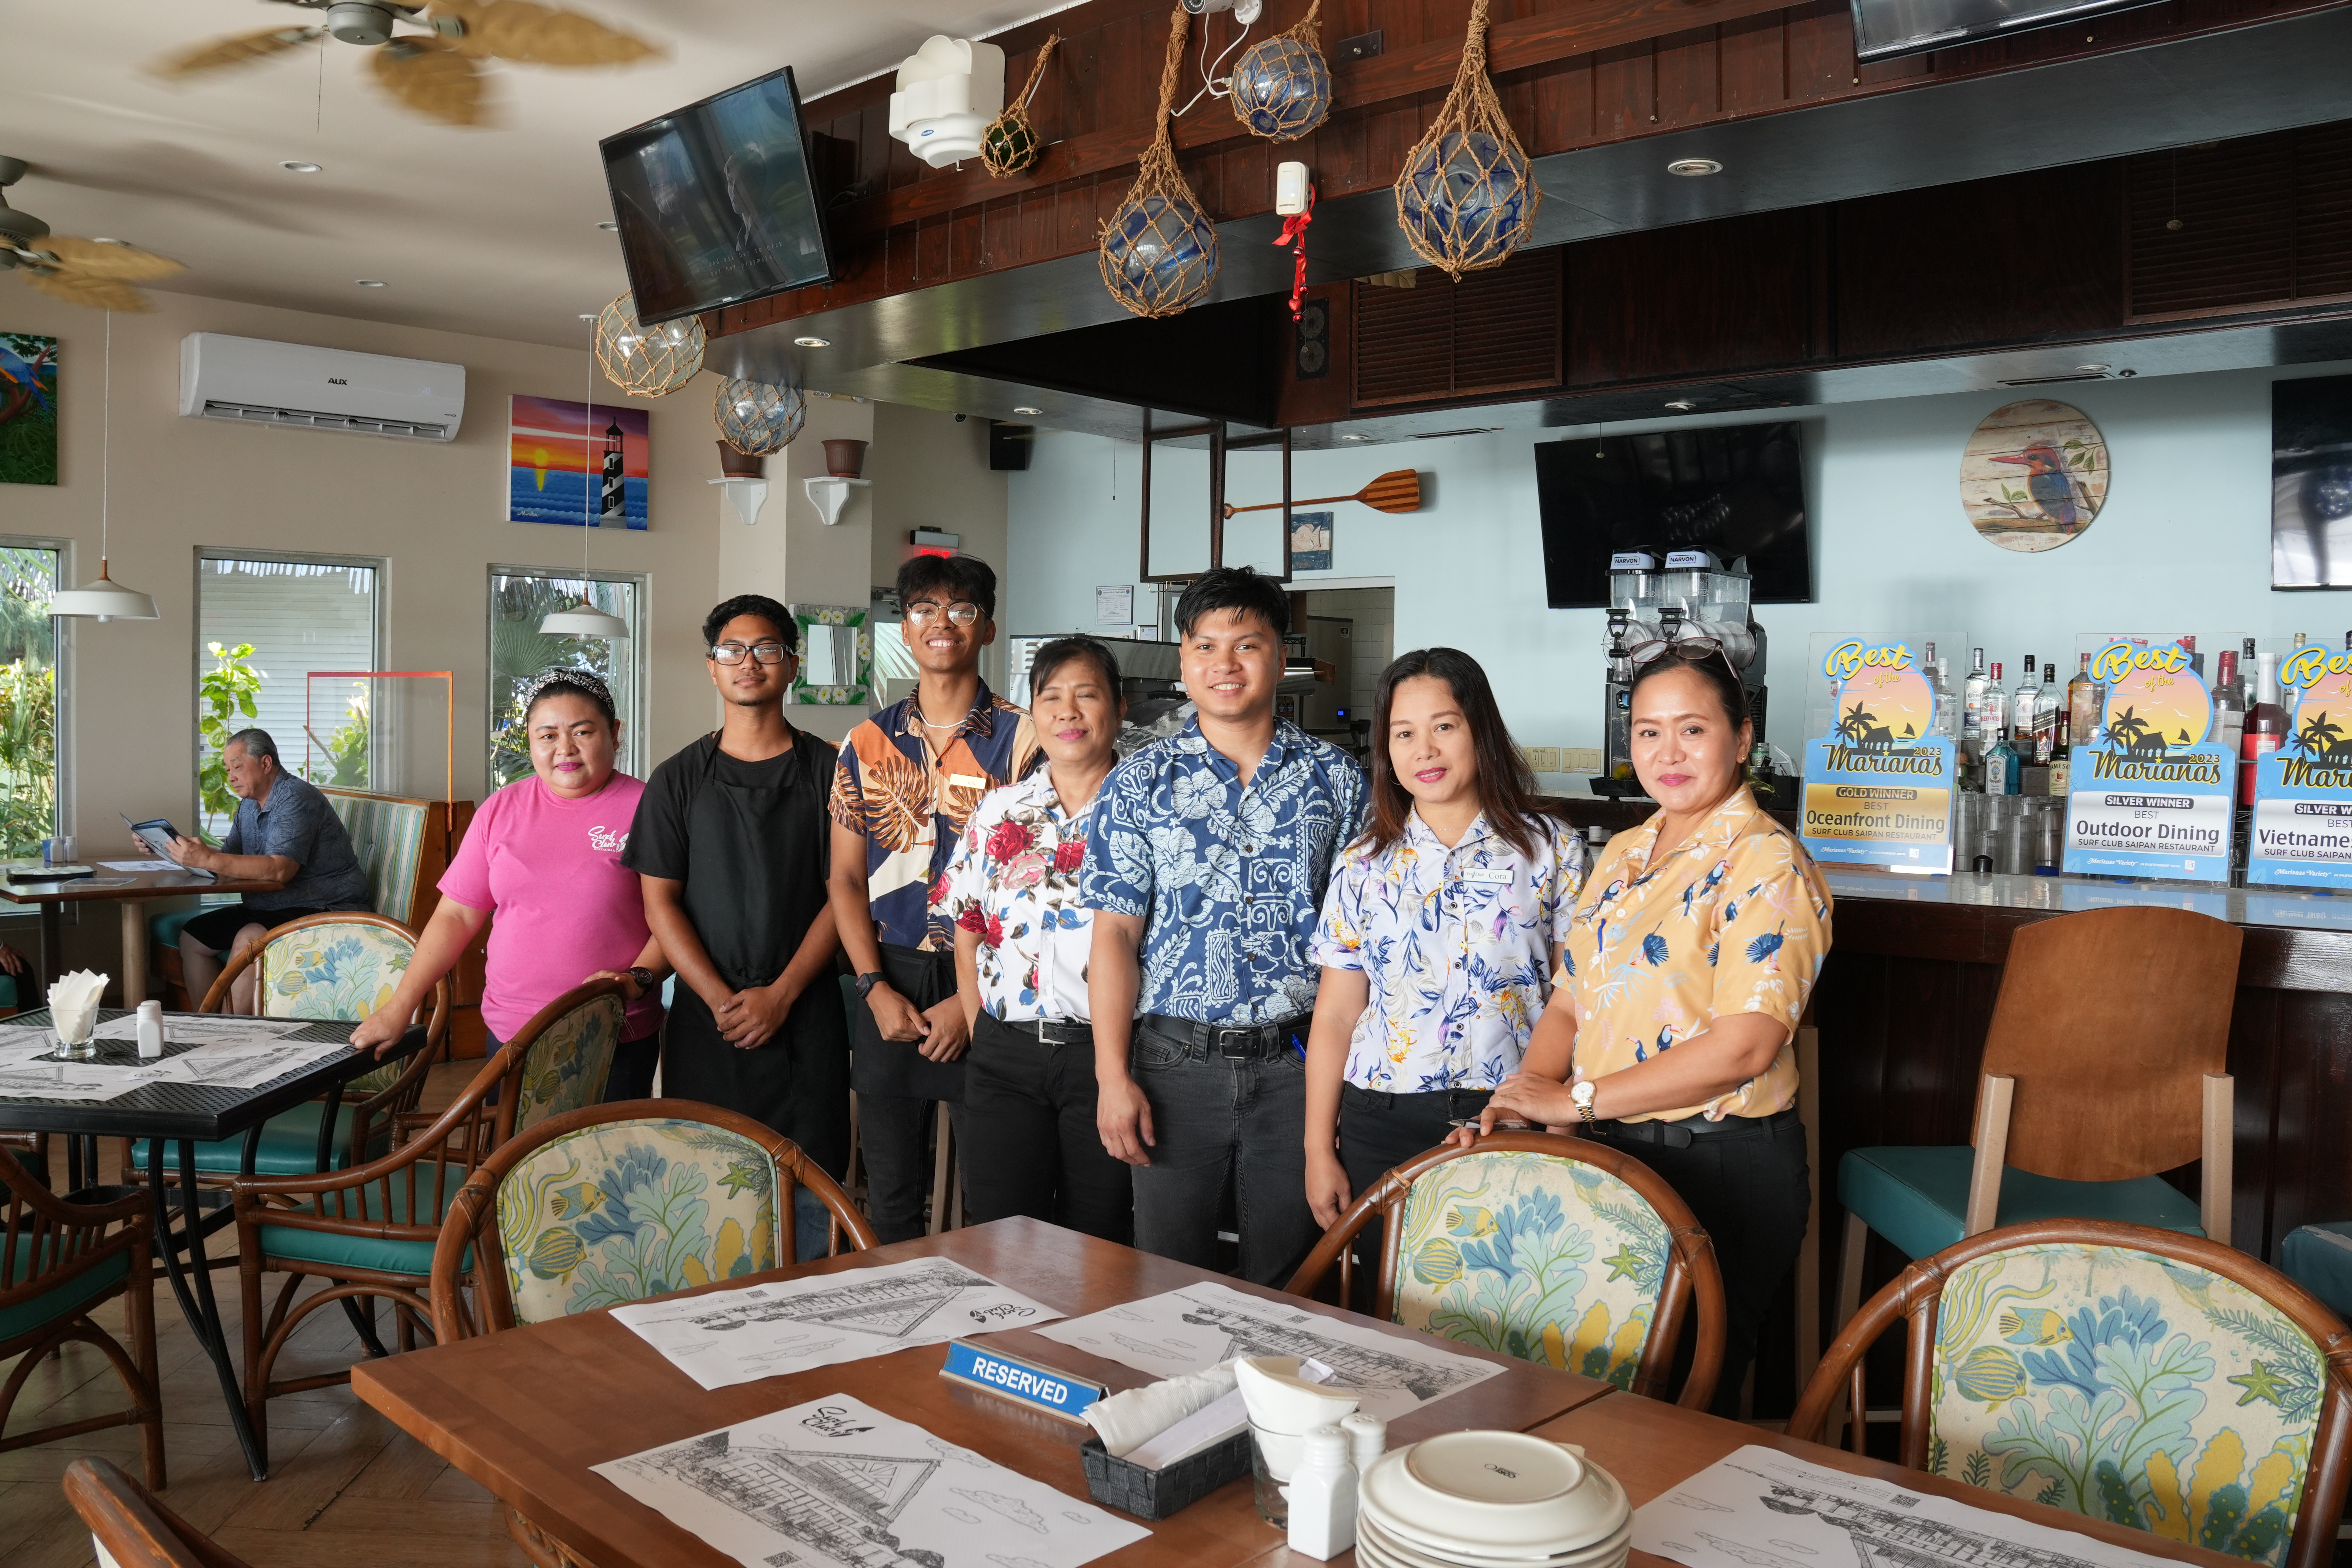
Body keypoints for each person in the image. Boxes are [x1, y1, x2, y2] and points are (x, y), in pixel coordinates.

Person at [1454, 639, 1832, 1413]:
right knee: (1589, 1395)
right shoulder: (1626, 850)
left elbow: (1746, 1047)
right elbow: (1570, 998)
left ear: (1743, 738)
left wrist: (1574, 1103)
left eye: (1693, 729)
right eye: (1649, 730)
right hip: (1608, 1156)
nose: (1669, 751)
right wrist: (1525, 1096)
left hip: (1717, 1163)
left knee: (1679, 1414)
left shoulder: (1768, 862)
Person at [1084, 566, 1367, 1287]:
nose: (1224, 664)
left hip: (1295, 1065)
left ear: (1280, 655)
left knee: (1290, 1280)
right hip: (1173, 1065)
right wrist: (1111, 1075)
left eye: (1246, 645)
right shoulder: (1138, 781)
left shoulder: (1336, 779)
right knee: (1165, 1282)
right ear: (1182, 659)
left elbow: (1355, 948)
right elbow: (1114, 934)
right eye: (1205, 646)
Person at [1302, 648, 1587, 1234]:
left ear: (1479, 730)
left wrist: (1561, 1124)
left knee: (1507, 1303)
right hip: (1382, 1117)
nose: (1424, 750)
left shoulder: (1552, 848)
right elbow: (1334, 1016)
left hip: (1510, 1113)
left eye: (1444, 727)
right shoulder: (1364, 863)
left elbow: (1578, 997)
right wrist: (1316, 1151)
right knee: (1380, 1308)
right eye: (1403, 733)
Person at [626, 596, 850, 1252]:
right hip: (707, 1018)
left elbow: (845, 892)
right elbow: (660, 903)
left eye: (766, 649)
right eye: (732, 650)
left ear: (792, 664)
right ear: (711, 667)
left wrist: (780, 995)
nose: (748, 662)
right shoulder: (677, 779)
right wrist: (721, 998)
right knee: (704, 1189)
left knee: (811, 1192)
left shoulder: (832, 773)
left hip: (804, 1015)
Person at [828, 555, 1039, 1244]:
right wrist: (871, 988)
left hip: (991, 982)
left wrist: (967, 998)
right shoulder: (864, 742)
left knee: (999, 1190)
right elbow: (843, 879)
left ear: (988, 627)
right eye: (923, 609)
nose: (940, 623)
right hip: (888, 973)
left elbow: (1039, 886)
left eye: (960, 609)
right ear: (904, 625)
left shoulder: (1026, 739)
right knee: (889, 1189)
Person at [350, 671, 667, 1092]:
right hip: (512, 1032)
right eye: (548, 735)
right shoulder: (502, 809)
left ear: (615, 733)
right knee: (513, 1157)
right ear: (531, 742)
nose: (565, 749)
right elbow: (458, 915)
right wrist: (401, 1006)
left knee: (605, 1157)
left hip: (613, 1030)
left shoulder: (650, 809)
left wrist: (637, 979)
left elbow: (675, 918)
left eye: (583, 732)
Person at [942, 634, 1133, 1242]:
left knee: (1099, 1240)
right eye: (1051, 698)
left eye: (1086, 695)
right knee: (1002, 1238)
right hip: (1007, 1056)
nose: (1067, 713)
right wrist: (981, 1030)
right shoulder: (1000, 810)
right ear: (1033, 711)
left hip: (1107, 1059)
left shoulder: (1147, 810)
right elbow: (968, 926)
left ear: (1119, 707)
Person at [167, 728, 370, 1013]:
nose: (231, 777)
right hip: (273, 906)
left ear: (265, 763)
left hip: (325, 907)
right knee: (195, 937)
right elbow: (230, 860)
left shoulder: (296, 798)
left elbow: (279, 870)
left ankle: (230, 1038)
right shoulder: (248, 806)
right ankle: (208, 1024)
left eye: (237, 767)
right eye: (228, 770)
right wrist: (171, 847)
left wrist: (207, 860)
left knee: (249, 936)